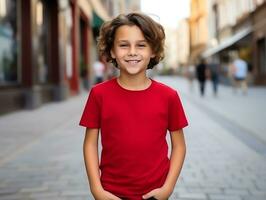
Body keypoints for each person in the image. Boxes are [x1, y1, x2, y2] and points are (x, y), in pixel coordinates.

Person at [79, 13, 188, 200]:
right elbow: (90, 143)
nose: (132, 52)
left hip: (155, 193)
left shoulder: (169, 96)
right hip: (110, 193)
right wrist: (97, 190)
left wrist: (167, 189)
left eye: (141, 45)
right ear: (112, 51)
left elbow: (179, 146)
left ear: (153, 51)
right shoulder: (99, 94)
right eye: (123, 45)